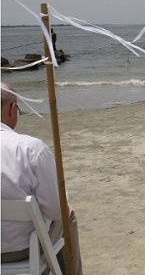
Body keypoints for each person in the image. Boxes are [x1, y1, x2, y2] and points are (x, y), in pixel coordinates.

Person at [1, 83, 83, 274]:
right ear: (12, 109)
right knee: (66, 214)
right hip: (20, 250)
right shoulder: (30, 149)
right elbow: (55, 211)